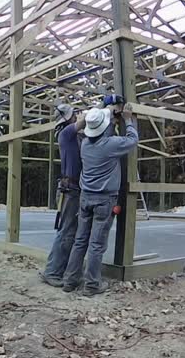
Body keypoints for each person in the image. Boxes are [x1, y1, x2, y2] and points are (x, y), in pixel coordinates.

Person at [62, 101, 138, 296]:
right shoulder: (111, 145)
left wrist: (106, 114)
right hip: (104, 200)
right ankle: (92, 285)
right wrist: (128, 120)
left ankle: (70, 281)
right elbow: (132, 140)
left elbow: (99, 129)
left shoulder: (86, 144)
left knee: (81, 241)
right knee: (96, 244)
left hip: (86, 198)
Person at [39, 103, 86, 287]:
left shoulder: (73, 137)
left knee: (70, 232)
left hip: (73, 189)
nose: (77, 116)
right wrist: (104, 106)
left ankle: (61, 269)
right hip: (70, 190)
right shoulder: (66, 134)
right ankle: (52, 272)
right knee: (66, 232)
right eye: (74, 114)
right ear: (67, 118)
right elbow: (87, 121)